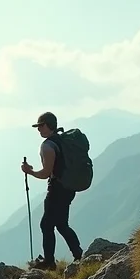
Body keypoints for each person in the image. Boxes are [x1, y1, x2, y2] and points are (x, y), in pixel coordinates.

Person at [21, 111, 83, 270]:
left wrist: (30, 172)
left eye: (41, 126)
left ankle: (49, 262)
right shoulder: (62, 140)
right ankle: (78, 254)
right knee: (61, 224)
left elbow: (46, 173)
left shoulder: (47, 146)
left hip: (57, 190)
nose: (39, 129)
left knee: (46, 225)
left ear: (48, 126)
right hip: (69, 187)